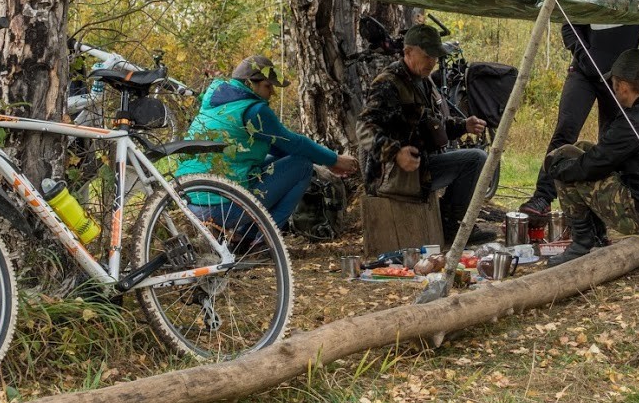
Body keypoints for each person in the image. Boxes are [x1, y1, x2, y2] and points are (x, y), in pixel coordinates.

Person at [519, 0, 639, 218]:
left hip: (620, 81)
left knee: (611, 140)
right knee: (566, 130)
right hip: (584, 73)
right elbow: (569, 26)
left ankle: (604, 204)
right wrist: (584, 58)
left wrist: (629, 70)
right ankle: (542, 197)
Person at [543, 49, 639, 265]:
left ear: (623, 87)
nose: (613, 90)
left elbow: (592, 167)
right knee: (580, 148)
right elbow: (604, 157)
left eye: (614, 84)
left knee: (565, 165)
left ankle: (582, 244)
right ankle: (597, 236)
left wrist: (555, 169)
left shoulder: (633, 122)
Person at [176, 55, 358, 227]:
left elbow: (279, 147)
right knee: (302, 166)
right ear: (249, 83)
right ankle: (258, 240)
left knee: (279, 160)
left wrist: (325, 162)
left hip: (191, 203)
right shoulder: (254, 111)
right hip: (219, 208)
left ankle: (238, 235)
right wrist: (335, 160)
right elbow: (294, 143)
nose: (272, 92)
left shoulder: (216, 103)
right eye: (267, 86)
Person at [358, 24, 498, 246]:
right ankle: (451, 226)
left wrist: (463, 126)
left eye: (435, 56)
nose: (432, 62)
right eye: (427, 56)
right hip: (394, 173)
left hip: (422, 165)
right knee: (475, 159)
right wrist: (396, 153)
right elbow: (364, 131)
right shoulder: (388, 83)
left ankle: (450, 221)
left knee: (477, 157)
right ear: (408, 53)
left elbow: (433, 125)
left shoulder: (424, 80)